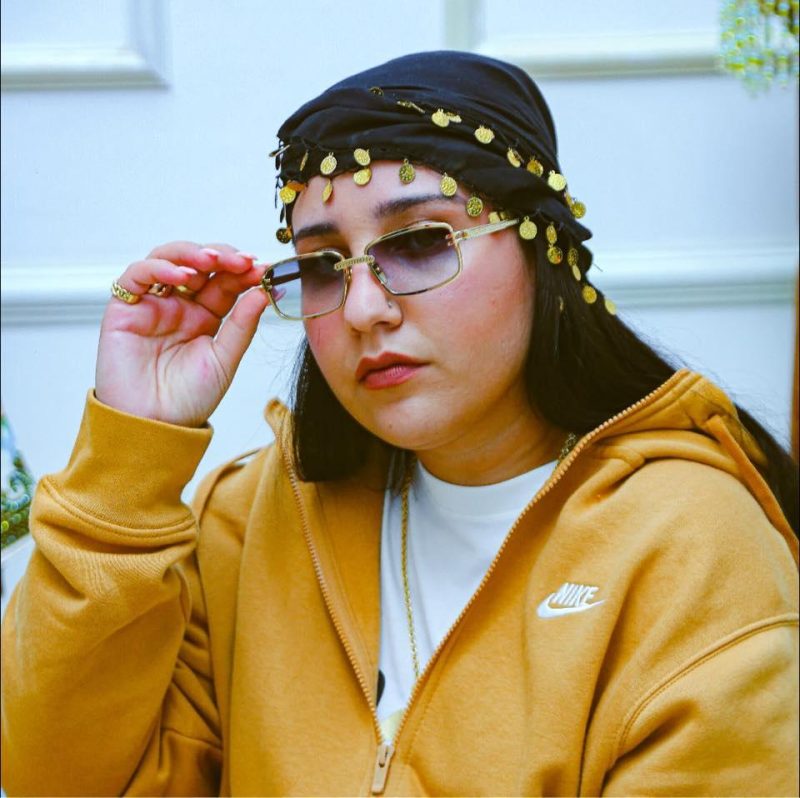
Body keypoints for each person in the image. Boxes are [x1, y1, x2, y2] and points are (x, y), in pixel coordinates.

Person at [2, 51, 798, 797]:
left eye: (419, 243)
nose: (362, 308)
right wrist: (129, 455)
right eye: (323, 266)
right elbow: (58, 776)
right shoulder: (251, 521)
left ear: (543, 253)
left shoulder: (691, 543)